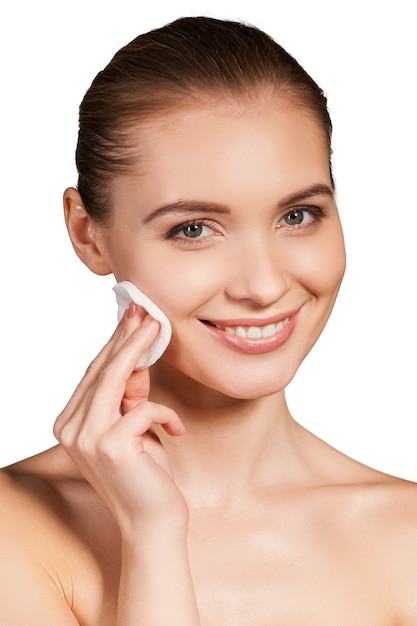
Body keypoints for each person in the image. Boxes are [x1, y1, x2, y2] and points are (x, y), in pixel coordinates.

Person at [1, 15, 416, 625]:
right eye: (193, 229)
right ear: (88, 234)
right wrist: (153, 536)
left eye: (298, 215)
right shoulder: (16, 531)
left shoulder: (404, 536)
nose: (265, 285)